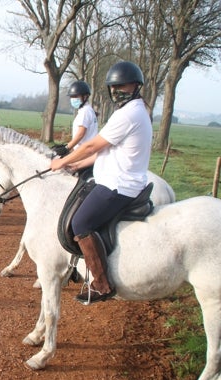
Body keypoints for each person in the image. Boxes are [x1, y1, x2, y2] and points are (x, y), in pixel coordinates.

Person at [50, 61, 152, 305]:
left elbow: (91, 145)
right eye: (114, 86)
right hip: (113, 178)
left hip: (119, 185)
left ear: (136, 86)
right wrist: (78, 165)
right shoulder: (131, 111)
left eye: (123, 86)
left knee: (80, 222)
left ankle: (102, 284)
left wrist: (62, 163)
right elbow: (104, 149)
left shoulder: (130, 113)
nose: (117, 90)